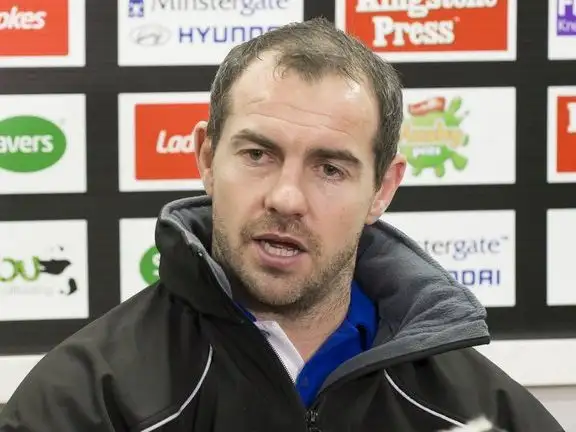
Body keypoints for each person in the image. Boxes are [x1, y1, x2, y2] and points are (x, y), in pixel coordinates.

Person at [0, 17, 564, 432]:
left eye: (330, 168)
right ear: (206, 158)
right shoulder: (85, 401)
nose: (287, 197)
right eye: (258, 154)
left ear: (382, 189)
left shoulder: (485, 414)